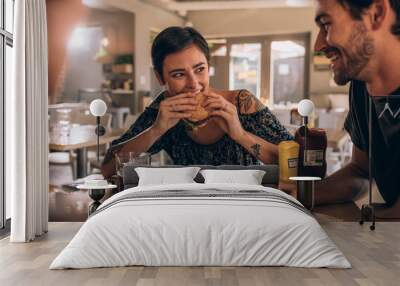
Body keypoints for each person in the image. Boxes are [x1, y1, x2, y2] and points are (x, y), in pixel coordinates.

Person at [101, 26, 293, 179]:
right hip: (189, 205)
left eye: (199, 69)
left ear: (208, 67)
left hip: (244, 203)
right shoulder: (164, 109)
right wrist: (155, 130)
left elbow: (294, 161)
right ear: (160, 77)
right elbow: (108, 169)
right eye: (178, 74)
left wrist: (240, 134)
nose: (193, 84)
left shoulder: (242, 102)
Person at [313, 0, 400, 210]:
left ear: (376, 14)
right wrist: (301, 195)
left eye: (326, 24)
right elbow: (361, 172)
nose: (319, 46)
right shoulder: (361, 86)